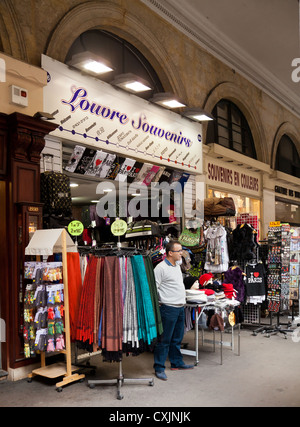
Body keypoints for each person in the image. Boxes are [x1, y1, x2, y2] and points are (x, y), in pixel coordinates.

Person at [153, 240, 194, 381]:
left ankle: (176, 363)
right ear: (170, 253)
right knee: (164, 340)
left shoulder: (177, 265)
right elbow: (154, 289)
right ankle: (159, 367)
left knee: (177, 338)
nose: (182, 253)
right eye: (179, 251)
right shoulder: (160, 268)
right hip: (168, 308)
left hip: (180, 307)